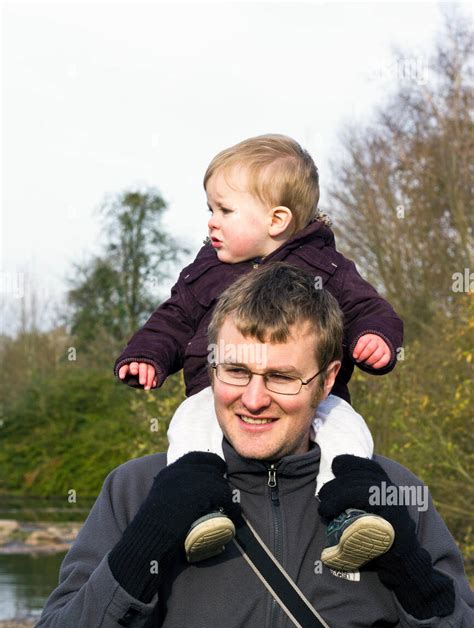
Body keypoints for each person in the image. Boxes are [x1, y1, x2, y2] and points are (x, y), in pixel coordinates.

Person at [23, 264, 473, 628]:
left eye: (281, 377)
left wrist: (412, 574)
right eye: (235, 371)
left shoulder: (391, 496)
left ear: (329, 378)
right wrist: (145, 545)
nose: (254, 400)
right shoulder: (135, 490)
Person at [113, 134, 403, 567]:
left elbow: (367, 307)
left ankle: (350, 512)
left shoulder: (327, 267)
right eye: (210, 209)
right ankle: (199, 510)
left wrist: (375, 338)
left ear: (277, 219)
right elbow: (173, 317)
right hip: (216, 396)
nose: (212, 221)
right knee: (190, 425)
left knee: (347, 428)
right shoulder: (205, 271)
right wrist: (146, 355)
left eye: (225, 210)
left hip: (310, 399)